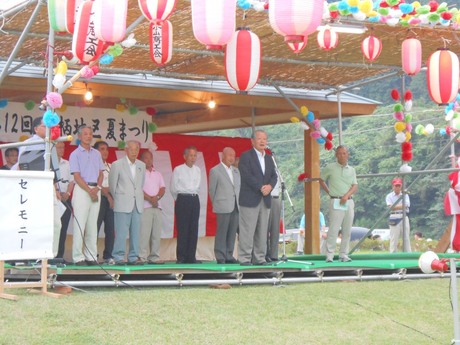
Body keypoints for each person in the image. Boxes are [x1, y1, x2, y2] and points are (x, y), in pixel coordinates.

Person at [237, 130, 277, 266]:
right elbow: (246, 175)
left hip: (265, 199)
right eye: (259, 138)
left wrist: (270, 187)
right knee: (247, 230)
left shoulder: (269, 158)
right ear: (252, 141)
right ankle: (244, 258)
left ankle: (259, 258)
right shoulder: (246, 156)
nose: (262, 141)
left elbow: (274, 176)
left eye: (265, 139)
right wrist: (261, 187)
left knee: (262, 230)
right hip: (250, 199)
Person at [69, 125, 105, 266]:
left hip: (96, 189)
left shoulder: (96, 153)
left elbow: (101, 173)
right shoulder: (75, 154)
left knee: (92, 225)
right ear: (79, 137)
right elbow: (76, 176)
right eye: (85, 134)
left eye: (90, 134)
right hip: (82, 190)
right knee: (80, 224)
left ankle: (91, 256)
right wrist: (90, 190)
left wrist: (97, 188)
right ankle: (78, 257)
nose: (88, 136)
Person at [109, 140, 146, 265]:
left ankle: (133, 257)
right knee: (121, 232)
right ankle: (118, 257)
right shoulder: (117, 164)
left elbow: (140, 185)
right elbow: (112, 186)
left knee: (136, 232)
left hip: (137, 203)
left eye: (136, 149)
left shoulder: (142, 165)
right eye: (131, 149)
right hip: (122, 202)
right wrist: (119, 198)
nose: (134, 152)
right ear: (125, 150)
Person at [319, 145, 358, 262]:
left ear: (348, 155)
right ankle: (329, 255)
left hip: (349, 201)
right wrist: (329, 192)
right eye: (339, 153)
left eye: (344, 153)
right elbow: (321, 180)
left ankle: (343, 254)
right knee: (334, 229)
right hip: (335, 200)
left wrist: (346, 195)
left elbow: (355, 185)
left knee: (347, 229)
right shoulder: (330, 167)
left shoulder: (352, 170)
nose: (342, 155)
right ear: (336, 155)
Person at [209, 147, 240, 264]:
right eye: (229, 155)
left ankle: (229, 254)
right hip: (222, 205)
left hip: (235, 205)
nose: (232, 158)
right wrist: (218, 203)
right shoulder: (215, 170)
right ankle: (220, 255)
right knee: (222, 231)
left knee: (232, 231)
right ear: (223, 156)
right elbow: (212, 191)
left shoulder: (236, 171)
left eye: (233, 155)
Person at [170, 146, 202, 264]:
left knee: (193, 228)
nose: (193, 158)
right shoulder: (178, 169)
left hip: (194, 199)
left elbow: (198, 186)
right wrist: (180, 199)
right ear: (185, 156)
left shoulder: (198, 170)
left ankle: (191, 256)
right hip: (183, 198)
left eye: (195, 155)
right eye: (191, 155)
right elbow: (173, 188)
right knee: (183, 228)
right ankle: (181, 257)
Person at [139, 150, 165, 264]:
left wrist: (157, 198)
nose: (149, 160)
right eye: (146, 158)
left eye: (151, 158)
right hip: (145, 206)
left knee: (156, 233)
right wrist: (150, 199)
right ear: (141, 160)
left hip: (157, 206)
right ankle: (142, 256)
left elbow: (162, 188)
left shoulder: (157, 173)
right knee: (144, 233)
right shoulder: (139, 173)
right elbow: (139, 189)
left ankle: (154, 257)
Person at [94, 141, 115, 264]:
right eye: (102, 149)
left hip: (111, 199)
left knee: (110, 228)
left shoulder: (111, 166)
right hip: (98, 198)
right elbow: (96, 184)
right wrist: (106, 193)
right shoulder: (93, 166)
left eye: (106, 149)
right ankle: (92, 255)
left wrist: (110, 194)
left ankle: (108, 255)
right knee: (94, 227)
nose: (105, 151)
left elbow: (116, 183)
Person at [55, 142, 74, 260]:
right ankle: (50, 255)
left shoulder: (67, 163)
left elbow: (71, 181)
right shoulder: (48, 163)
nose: (62, 149)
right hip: (53, 199)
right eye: (59, 147)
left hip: (65, 199)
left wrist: (68, 193)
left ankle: (59, 256)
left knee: (63, 228)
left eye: (63, 147)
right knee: (54, 228)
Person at [386, 177, 411, 253]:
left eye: (399, 186)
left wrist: (395, 206)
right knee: (394, 237)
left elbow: (407, 205)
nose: (397, 187)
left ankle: (408, 254)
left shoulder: (405, 195)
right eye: (396, 185)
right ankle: (392, 255)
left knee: (406, 237)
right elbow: (391, 208)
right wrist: (401, 206)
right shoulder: (389, 196)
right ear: (392, 186)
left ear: (401, 186)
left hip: (404, 215)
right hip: (394, 216)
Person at [266, 177, 281, 262]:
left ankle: (274, 254)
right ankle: (265, 254)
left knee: (275, 229)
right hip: (267, 198)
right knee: (265, 228)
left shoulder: (277, 170)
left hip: (276, 198)